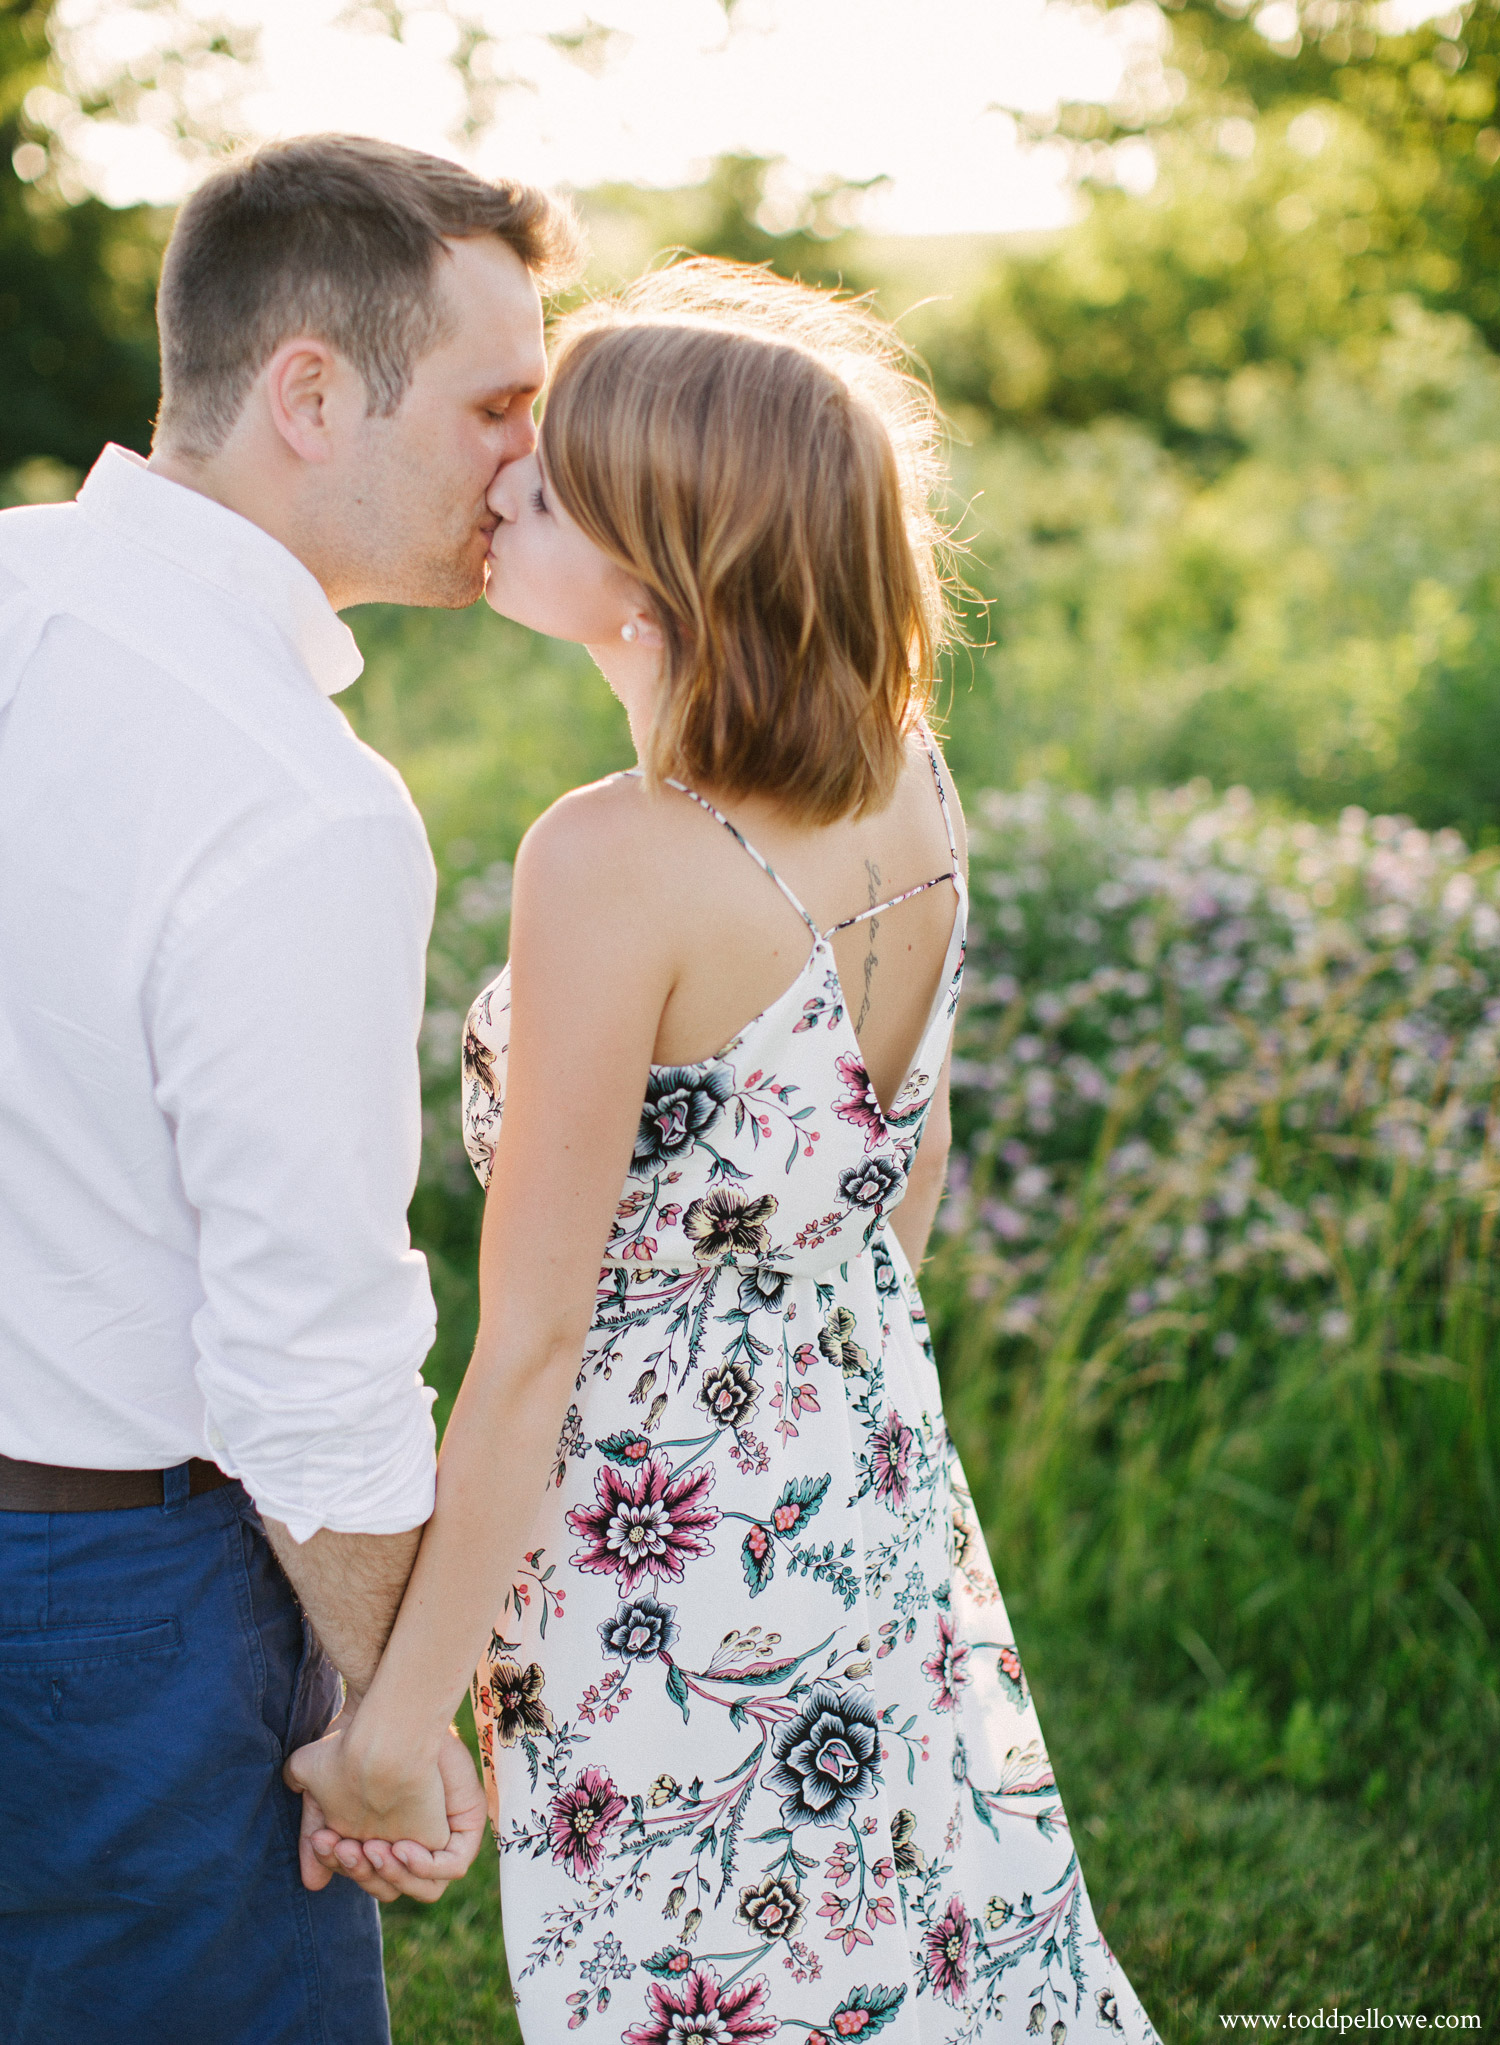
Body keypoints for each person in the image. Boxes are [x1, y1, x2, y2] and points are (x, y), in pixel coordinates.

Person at [289, 260, 1160, 2043]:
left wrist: (396, 1723)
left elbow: (530, 1347)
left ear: (666, 559)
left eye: (559, 468)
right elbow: (893, 1176)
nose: (505, 481)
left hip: (667, 1559)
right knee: (914, 1963)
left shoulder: (613, 858)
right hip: (861, 1492)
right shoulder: (905, 775)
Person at [0, 134, 577, 2041]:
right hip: (109, 1608)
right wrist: (393, 1724)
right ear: (311, 392)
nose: (532, 458)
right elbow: (309, 1360)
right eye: (503, 401)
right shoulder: (299, 803)